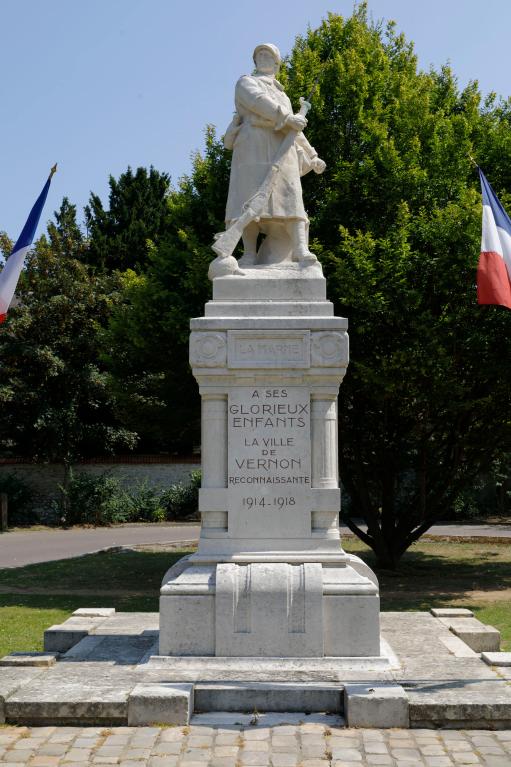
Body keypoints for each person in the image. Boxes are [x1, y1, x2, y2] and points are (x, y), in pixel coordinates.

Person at [223, 43, 326, 267]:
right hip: (253, 144)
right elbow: (258, 101)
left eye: (268, 55)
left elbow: (294, 130)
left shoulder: (284, 96)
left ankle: (300, 249)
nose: (263, 57)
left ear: (277, 63)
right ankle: (249, 253)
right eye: (259, 54)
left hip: (282, 149)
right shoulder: (246, 82)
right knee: (247, 200)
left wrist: (311, 154)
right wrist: (287, 118)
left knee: (291, 195)